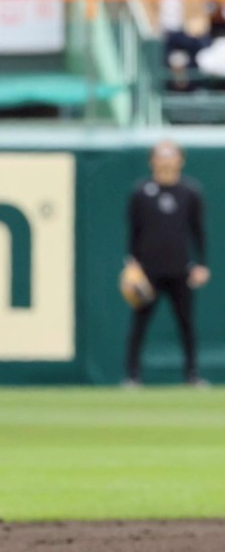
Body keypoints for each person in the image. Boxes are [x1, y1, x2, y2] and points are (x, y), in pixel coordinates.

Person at [124, 139, 211, 387]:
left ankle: (192, 375)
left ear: (180, 160)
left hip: (180, 269)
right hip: (147, 271)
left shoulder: (190, 192)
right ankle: (132, 376)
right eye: (161, 155)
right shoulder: (141, 192)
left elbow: (198, 231)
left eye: (170, 155)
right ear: (152, 160)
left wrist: (201, 264)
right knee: (139, 324)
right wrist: (132, 264)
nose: (166, 160)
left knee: (186, 324)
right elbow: (134, 231)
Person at [138, 0, 213, 90]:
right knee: (158, 51)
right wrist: (153, 29)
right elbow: (143, 9)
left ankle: (192, 88)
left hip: (186, 32)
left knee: (201, 46)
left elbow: (200, 13)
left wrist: (195, 29)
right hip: (161, 32)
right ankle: (163, 88)